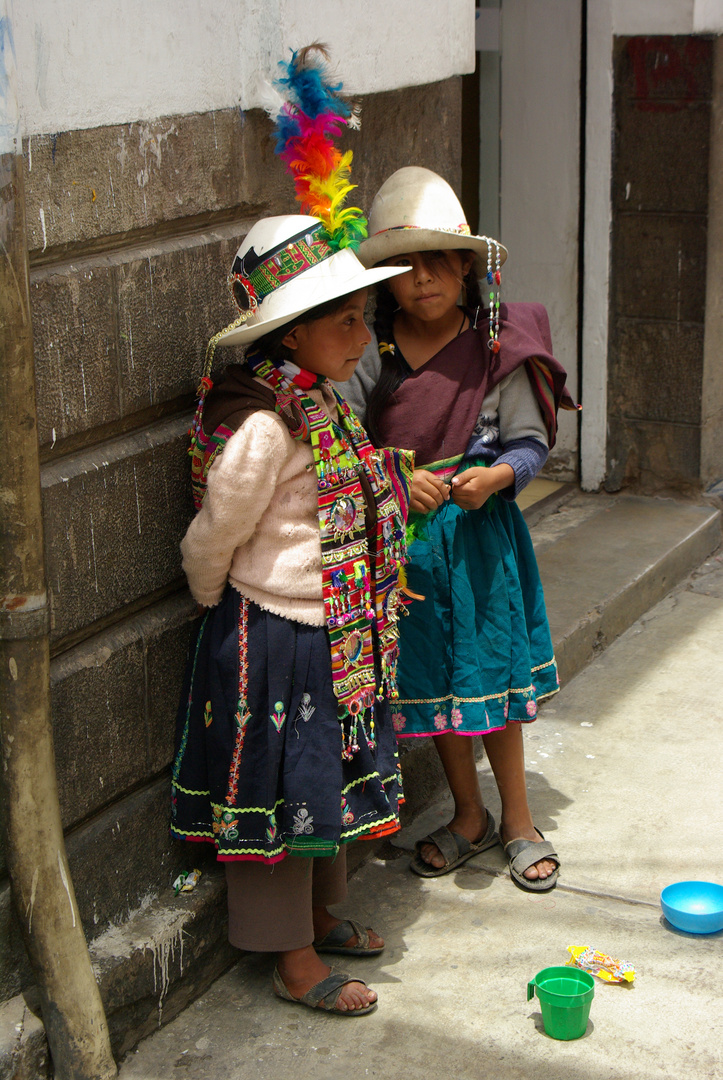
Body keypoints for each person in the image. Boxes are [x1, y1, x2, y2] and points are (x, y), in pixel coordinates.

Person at [171, 49, 414, 1016]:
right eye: (345, 322)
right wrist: (217, 608)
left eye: (362, 319)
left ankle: (319, 921)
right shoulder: (267, 426)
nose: (363, 338)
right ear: (287, 337)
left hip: (335, 631)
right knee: (278, 793)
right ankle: (292, 959)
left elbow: (354, 503)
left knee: (331, 786)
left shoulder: (321, 405)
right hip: (274, 635)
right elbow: (213, 535)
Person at [339, 167, 577, 892]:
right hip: (408, 553)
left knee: (494, 684)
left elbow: (531, 443)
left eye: (440, 262)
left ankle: (516, 819)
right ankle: (466, 813)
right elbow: (340, 440)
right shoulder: (364, 352)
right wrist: (387, 476)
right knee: (435, 688)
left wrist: (496, 478)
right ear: (383, 280)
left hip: (479, 545)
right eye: (405, 267)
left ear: (468, 269)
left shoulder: (500, 346)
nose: (423, 280)